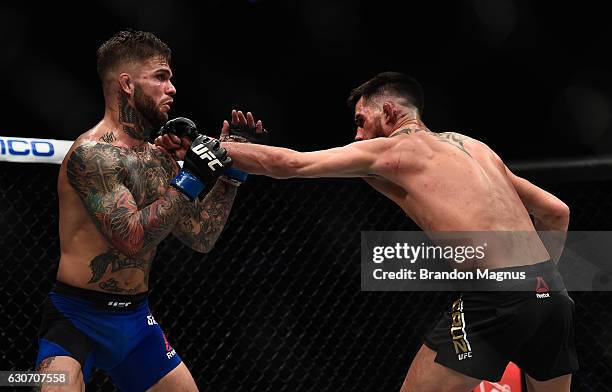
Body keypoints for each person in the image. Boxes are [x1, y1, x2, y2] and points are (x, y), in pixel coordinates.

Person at [162, 72, 577, 391]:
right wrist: (535, 285)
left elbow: (292, 164)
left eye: (362, 121)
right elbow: (557, 212)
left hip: (496, 295)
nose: (357, 134)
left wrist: (209, 145)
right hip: (553, 293)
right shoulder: (478, 148)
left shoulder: (397, 149)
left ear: (391, 112)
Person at [35, 29, 244, 391]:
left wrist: (230, 174)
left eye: (171, 78)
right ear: (127, 84)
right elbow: (131, 238)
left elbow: (201, 236)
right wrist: (191, 177)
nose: (172, 88)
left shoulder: (158, 159)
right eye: (161, 77)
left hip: (135, 320)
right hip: (77, 320)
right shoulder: (93, 154)